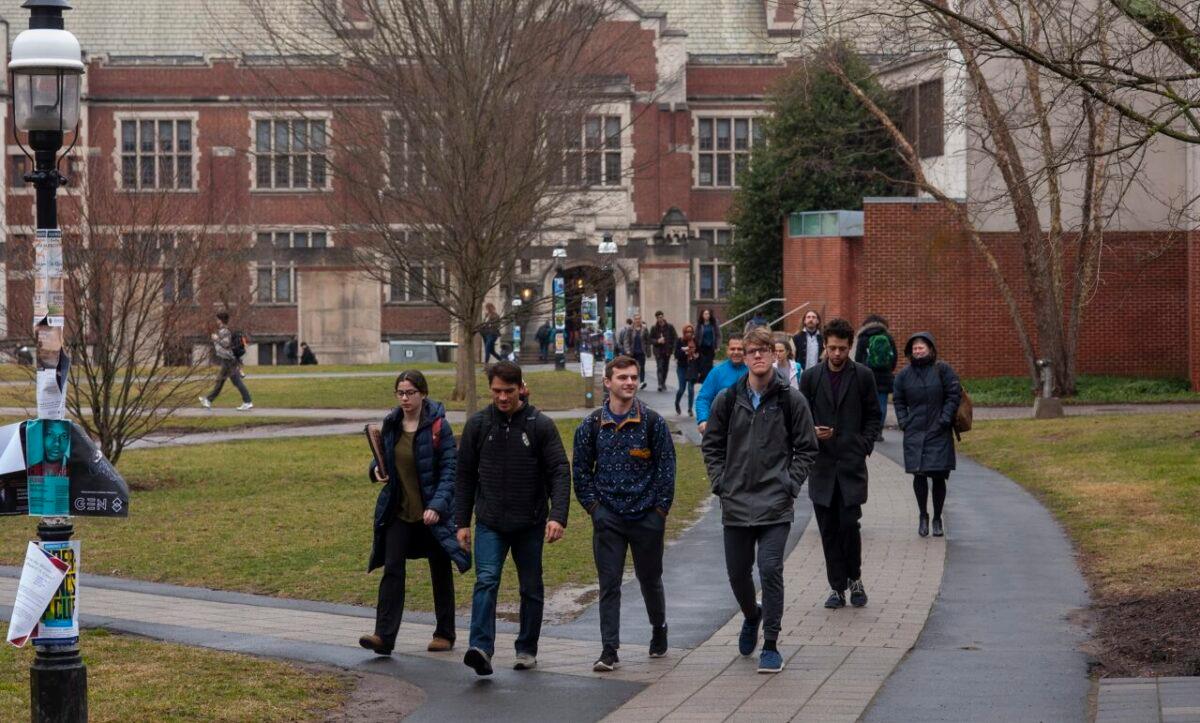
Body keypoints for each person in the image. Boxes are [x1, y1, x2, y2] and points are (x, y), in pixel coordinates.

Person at [701, 327, 818, 674]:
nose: (757, 356)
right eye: (752, 350)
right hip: (735, 501)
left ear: (775, 354)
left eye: (764, 350)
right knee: (738, 574)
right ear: (744, 355)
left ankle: (770, 643)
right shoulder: (728, 398)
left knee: (770, 569)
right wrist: (721, 482)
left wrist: (789, 483)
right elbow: (712, 445)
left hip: (774, 503)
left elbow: (807, 447)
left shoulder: (789, 399)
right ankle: (752, 615)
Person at [456, 361, 571, 676]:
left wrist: (557, 515)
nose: (502, 397)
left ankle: (526, 648)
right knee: (486, 581)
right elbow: (464, 475)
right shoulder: (478, 425)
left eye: (508, 391)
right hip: (490, 521)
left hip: (530, 522)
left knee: (530, 587)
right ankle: (480, 647)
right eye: (496, 391)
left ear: (521, 388)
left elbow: (559, 470)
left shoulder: (539, 425)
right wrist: (462, 522)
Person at [573, 356, 675, 672]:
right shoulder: (591, 425)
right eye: (622, 378)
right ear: (608, 382)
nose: (629, 383)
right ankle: (609, 650)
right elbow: (580, 470)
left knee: (649, 578)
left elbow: (667, 469)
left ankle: (659, 628)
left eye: (633, 377)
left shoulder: (653, 422)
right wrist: (594, 509)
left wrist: (659, 511)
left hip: (646, 516)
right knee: (609, 583)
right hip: (609, 518)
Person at [360, 370, 470, 657]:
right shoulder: (392, 423)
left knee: (440, 569)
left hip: (432, 512)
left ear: (423, 394)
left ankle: (444, 633)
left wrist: (436, 506)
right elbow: (382, 458)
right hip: (400, 510)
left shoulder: (438, 427)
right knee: (393, 569)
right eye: (400, 393)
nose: (405, 398)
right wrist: (375, 471)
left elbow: (450, 471)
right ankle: (384, 636)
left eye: (410, 392)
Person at [799, 318, 881, 610]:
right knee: (828, 530)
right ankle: (837, 587)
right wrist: (811, 434)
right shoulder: (810, 378)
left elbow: (874, 414)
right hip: (821, 466)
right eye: (832, 348)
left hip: (850, 464)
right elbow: (800, 416)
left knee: (849, 525)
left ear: (850, 347)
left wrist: (864, 444)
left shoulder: (862, 376)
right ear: (824, 346)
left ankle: (855, 577)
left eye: (842, 349)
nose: (836, 354)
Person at [893, 333, 962, 538]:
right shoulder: (904, 376)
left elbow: (953, 393)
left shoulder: (942, 370)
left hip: (938, 430)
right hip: (914, 431)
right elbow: (898, 400)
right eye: (914, 347)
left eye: (921, 347)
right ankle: (923, 515)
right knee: (919, 474)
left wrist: (945, 418)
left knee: (938, 475)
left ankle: (937, 518)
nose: (918, 350)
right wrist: (904, 421)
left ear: (930, 349)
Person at [853, 314, 898, 441]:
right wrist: (889, 370)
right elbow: (894, 357)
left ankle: (867, 429)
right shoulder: (888, 337)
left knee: (866, 404)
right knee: (882, 404)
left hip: (867, 375)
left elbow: (858, 358)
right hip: (885, 376)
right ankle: (878, 431)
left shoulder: (863, 337)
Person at [199, 311, 253, 411]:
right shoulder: (224, 330)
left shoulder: (224, 331)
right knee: (220, 381)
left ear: (221, 320)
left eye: (217, 319)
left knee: (236, 381)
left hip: (229, 360)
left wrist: (216, 338)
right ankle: (208, 400)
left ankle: (247, 401)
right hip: (227, 359)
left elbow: (226, 344)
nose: (216, 321)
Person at [694, 334, 747, 434]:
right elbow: (703, 398)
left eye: (740, 349)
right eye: (732, 349)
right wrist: (703, 420)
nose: (736, 352)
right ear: (727, 350)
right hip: (721, 427)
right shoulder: (717, 372)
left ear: (745, 351)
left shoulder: (751, 371)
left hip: (746, 429)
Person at [673, 324, 701, 416]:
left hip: (692, 367)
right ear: (684, 332)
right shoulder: (680, 341)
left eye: (691, 332)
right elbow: (676, 354)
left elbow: (699, 352)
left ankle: (690, 409)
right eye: (687, 332)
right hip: (682, 367)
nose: (689, 333)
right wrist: (684, 352)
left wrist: (697, 356)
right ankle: (677, 403)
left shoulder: (695, 341)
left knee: (691, 388)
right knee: (682, 388)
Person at [650, 311, 678, 393]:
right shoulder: (654, 328)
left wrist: (673, 348)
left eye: (661, 317)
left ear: (663, 317)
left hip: (667, 351)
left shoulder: (670, 327)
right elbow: (650, 339)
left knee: (665, 368)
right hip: (658, 351)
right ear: (656, 318)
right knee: (659, 367)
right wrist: (657, 341)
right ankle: (660, 384)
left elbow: (675, 337)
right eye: (658, 317)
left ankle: (663, 382)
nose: (660, 318)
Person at [624, 314, 651, 390]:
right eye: (636, 319)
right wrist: (627, 350)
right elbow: (626, 340)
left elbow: (647, 341)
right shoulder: (630, 329)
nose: (637, 320)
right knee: (633, 368)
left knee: (642, 367)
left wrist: (648, 352)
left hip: (641, 352)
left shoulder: (644, 329)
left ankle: (642, 382)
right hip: (632, 352)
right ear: (634, 320)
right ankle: (633, 382)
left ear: (641, 320)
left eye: (639, 319)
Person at [695, 308, 721, 380]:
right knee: (702, 364)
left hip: (710, 347)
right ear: (702, 315)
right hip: (702, 347)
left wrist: (717, 346)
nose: (707, 315)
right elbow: (696, 336)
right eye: (705, 314)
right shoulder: (699, 325)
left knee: (709, 364)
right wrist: (695, 349)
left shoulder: (714, 324)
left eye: (708, 314)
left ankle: (708, 378)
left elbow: (718, 335)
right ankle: (704, 378)